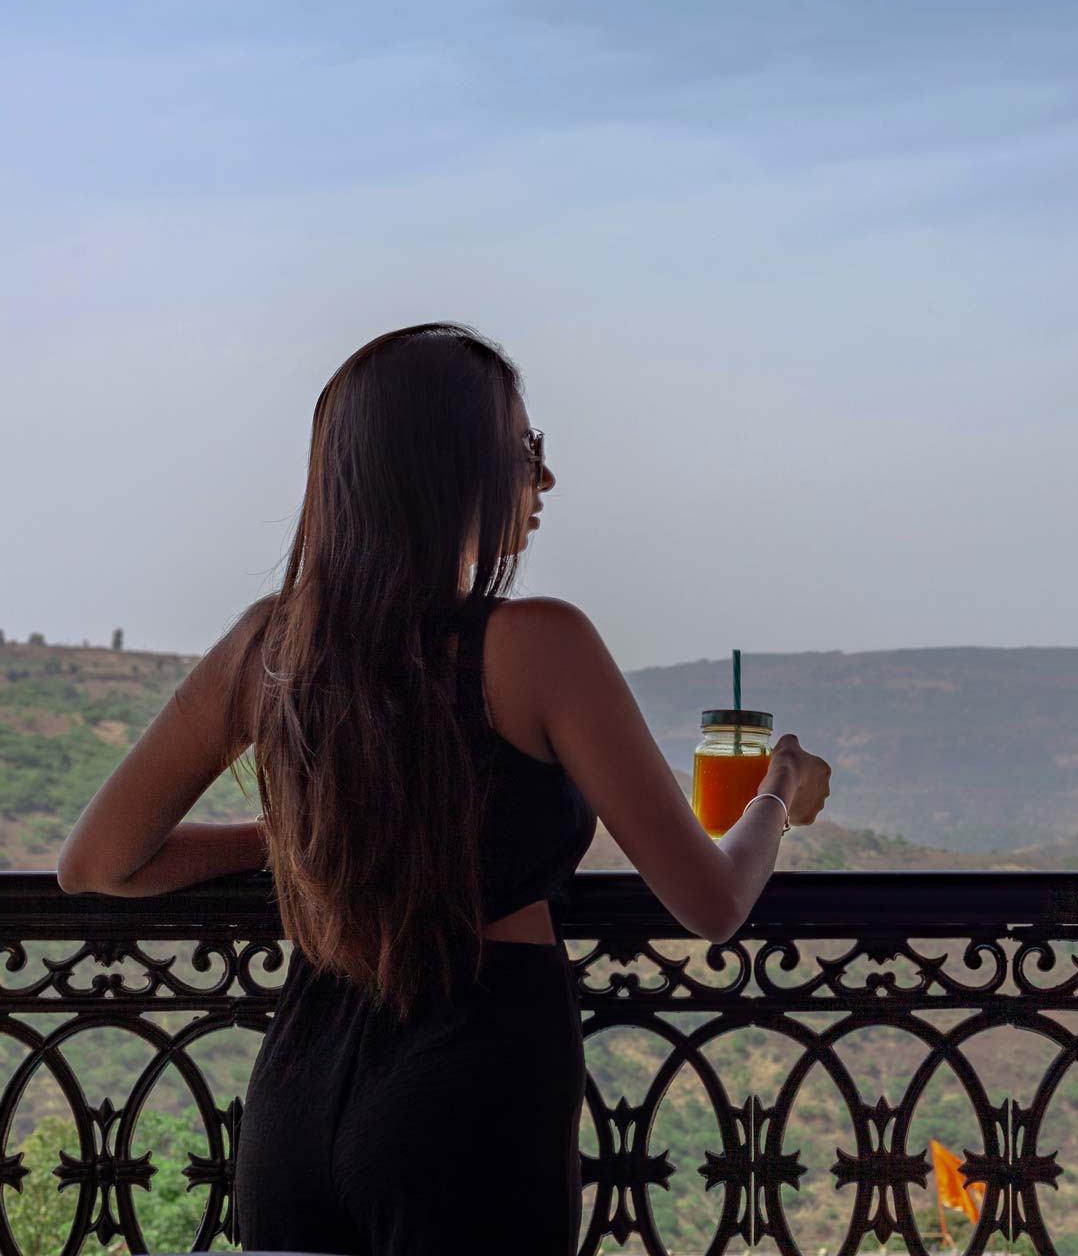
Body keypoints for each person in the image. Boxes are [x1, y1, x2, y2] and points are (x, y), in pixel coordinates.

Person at [55, 322, 832, 1254]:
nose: (544, 479)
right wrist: (779, 790)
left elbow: (99, 863)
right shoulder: (539, 644)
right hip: (472, 1091)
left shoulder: (275, 641)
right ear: (449, 464)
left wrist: (322, 833)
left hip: (297, 1094)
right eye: (526, 448)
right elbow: (711, 902)